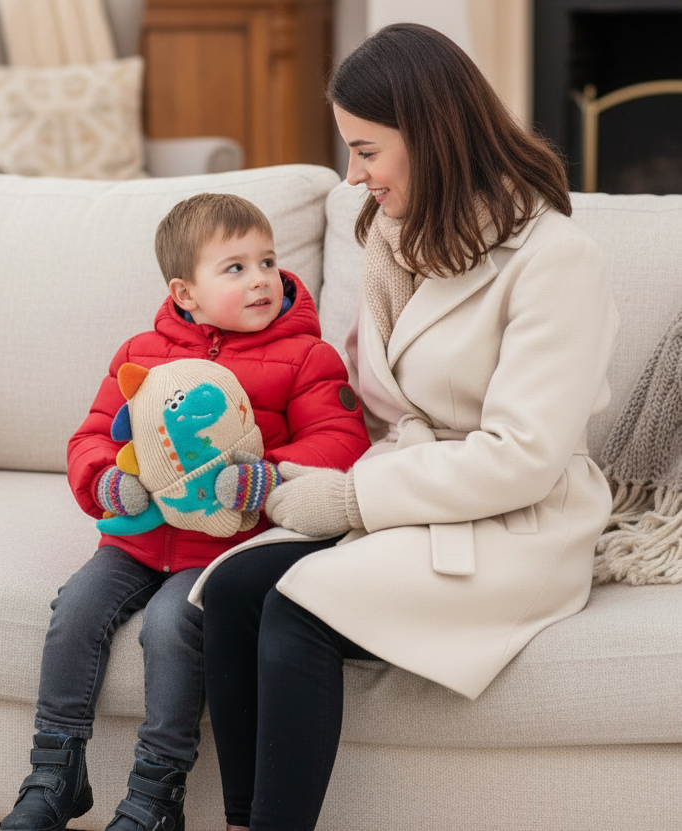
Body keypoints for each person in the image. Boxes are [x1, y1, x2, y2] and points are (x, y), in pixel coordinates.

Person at [194, 22, 620, 831]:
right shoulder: (398, 237)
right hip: (418, 492)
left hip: (517, 521)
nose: (354, 175)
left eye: (367, 151)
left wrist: (350, 500)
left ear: (430, 135)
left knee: (300, 604)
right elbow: (384, 405)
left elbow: (523, 457)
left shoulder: (558, 259)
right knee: (235, 590)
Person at [0, 193, 370, 831]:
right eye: (235, 268)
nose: (262, 279)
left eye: (267, 261)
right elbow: (93, 437)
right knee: (76, 608)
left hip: (220, 551)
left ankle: (156, 793)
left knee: (171, 627)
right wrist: (107, 482)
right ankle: (55, 773)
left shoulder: (308, 357)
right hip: (136, 542)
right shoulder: (140, 354)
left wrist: (269, 475)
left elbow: (341, 442)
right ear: (185, 293)